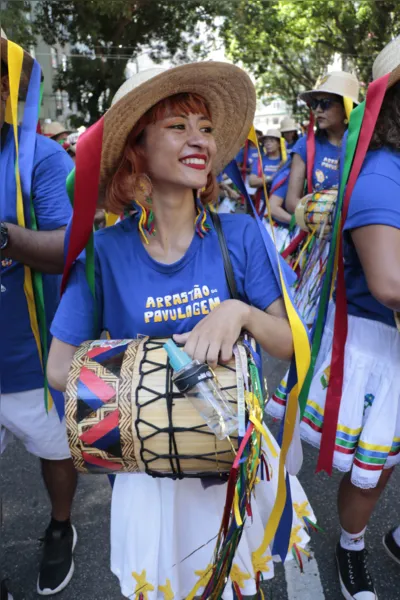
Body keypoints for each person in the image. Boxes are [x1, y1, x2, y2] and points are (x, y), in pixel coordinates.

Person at [47, 63, 315, 599]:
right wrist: (153, 375)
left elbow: (290, 341)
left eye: (206, 128)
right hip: (151, 483)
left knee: (242, 589)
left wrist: (239, 312)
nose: (199, 140)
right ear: (136, 150)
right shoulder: (104, 254)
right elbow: (59, 368)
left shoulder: (240, 235)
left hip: (235, 470)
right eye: (177, 126)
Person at [278, 39, 400, 600]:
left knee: (383, 462)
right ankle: (350, 547)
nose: (320, 107)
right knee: (368, 469)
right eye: (317, 100)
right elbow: (389, 285)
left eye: (331, 100)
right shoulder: (380, 173)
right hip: (372, 341)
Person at [0, 30, 77, 596]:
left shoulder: (43, 157)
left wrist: (3, 238)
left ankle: (60, 525)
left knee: (55, 453)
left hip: (29, 359)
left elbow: (63, 250)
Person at [285, 71, 360, 326]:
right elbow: (291, 201)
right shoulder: (305, 146)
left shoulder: (365, 144)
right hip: (319, 247)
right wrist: (320, 217)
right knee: (310, 321)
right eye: (314, 104)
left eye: (325, 103)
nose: (317, 110)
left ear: (347, 107)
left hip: (358, 247)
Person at [248, 129, 283, 216]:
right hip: (263, 204)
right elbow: (252, 182)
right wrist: (271, 178)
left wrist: (262, 179)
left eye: (271, 141)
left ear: (279, 144)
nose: (267, 144)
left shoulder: (285, 161)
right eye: (266, 141)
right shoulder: (260, 161)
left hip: (282, 204)